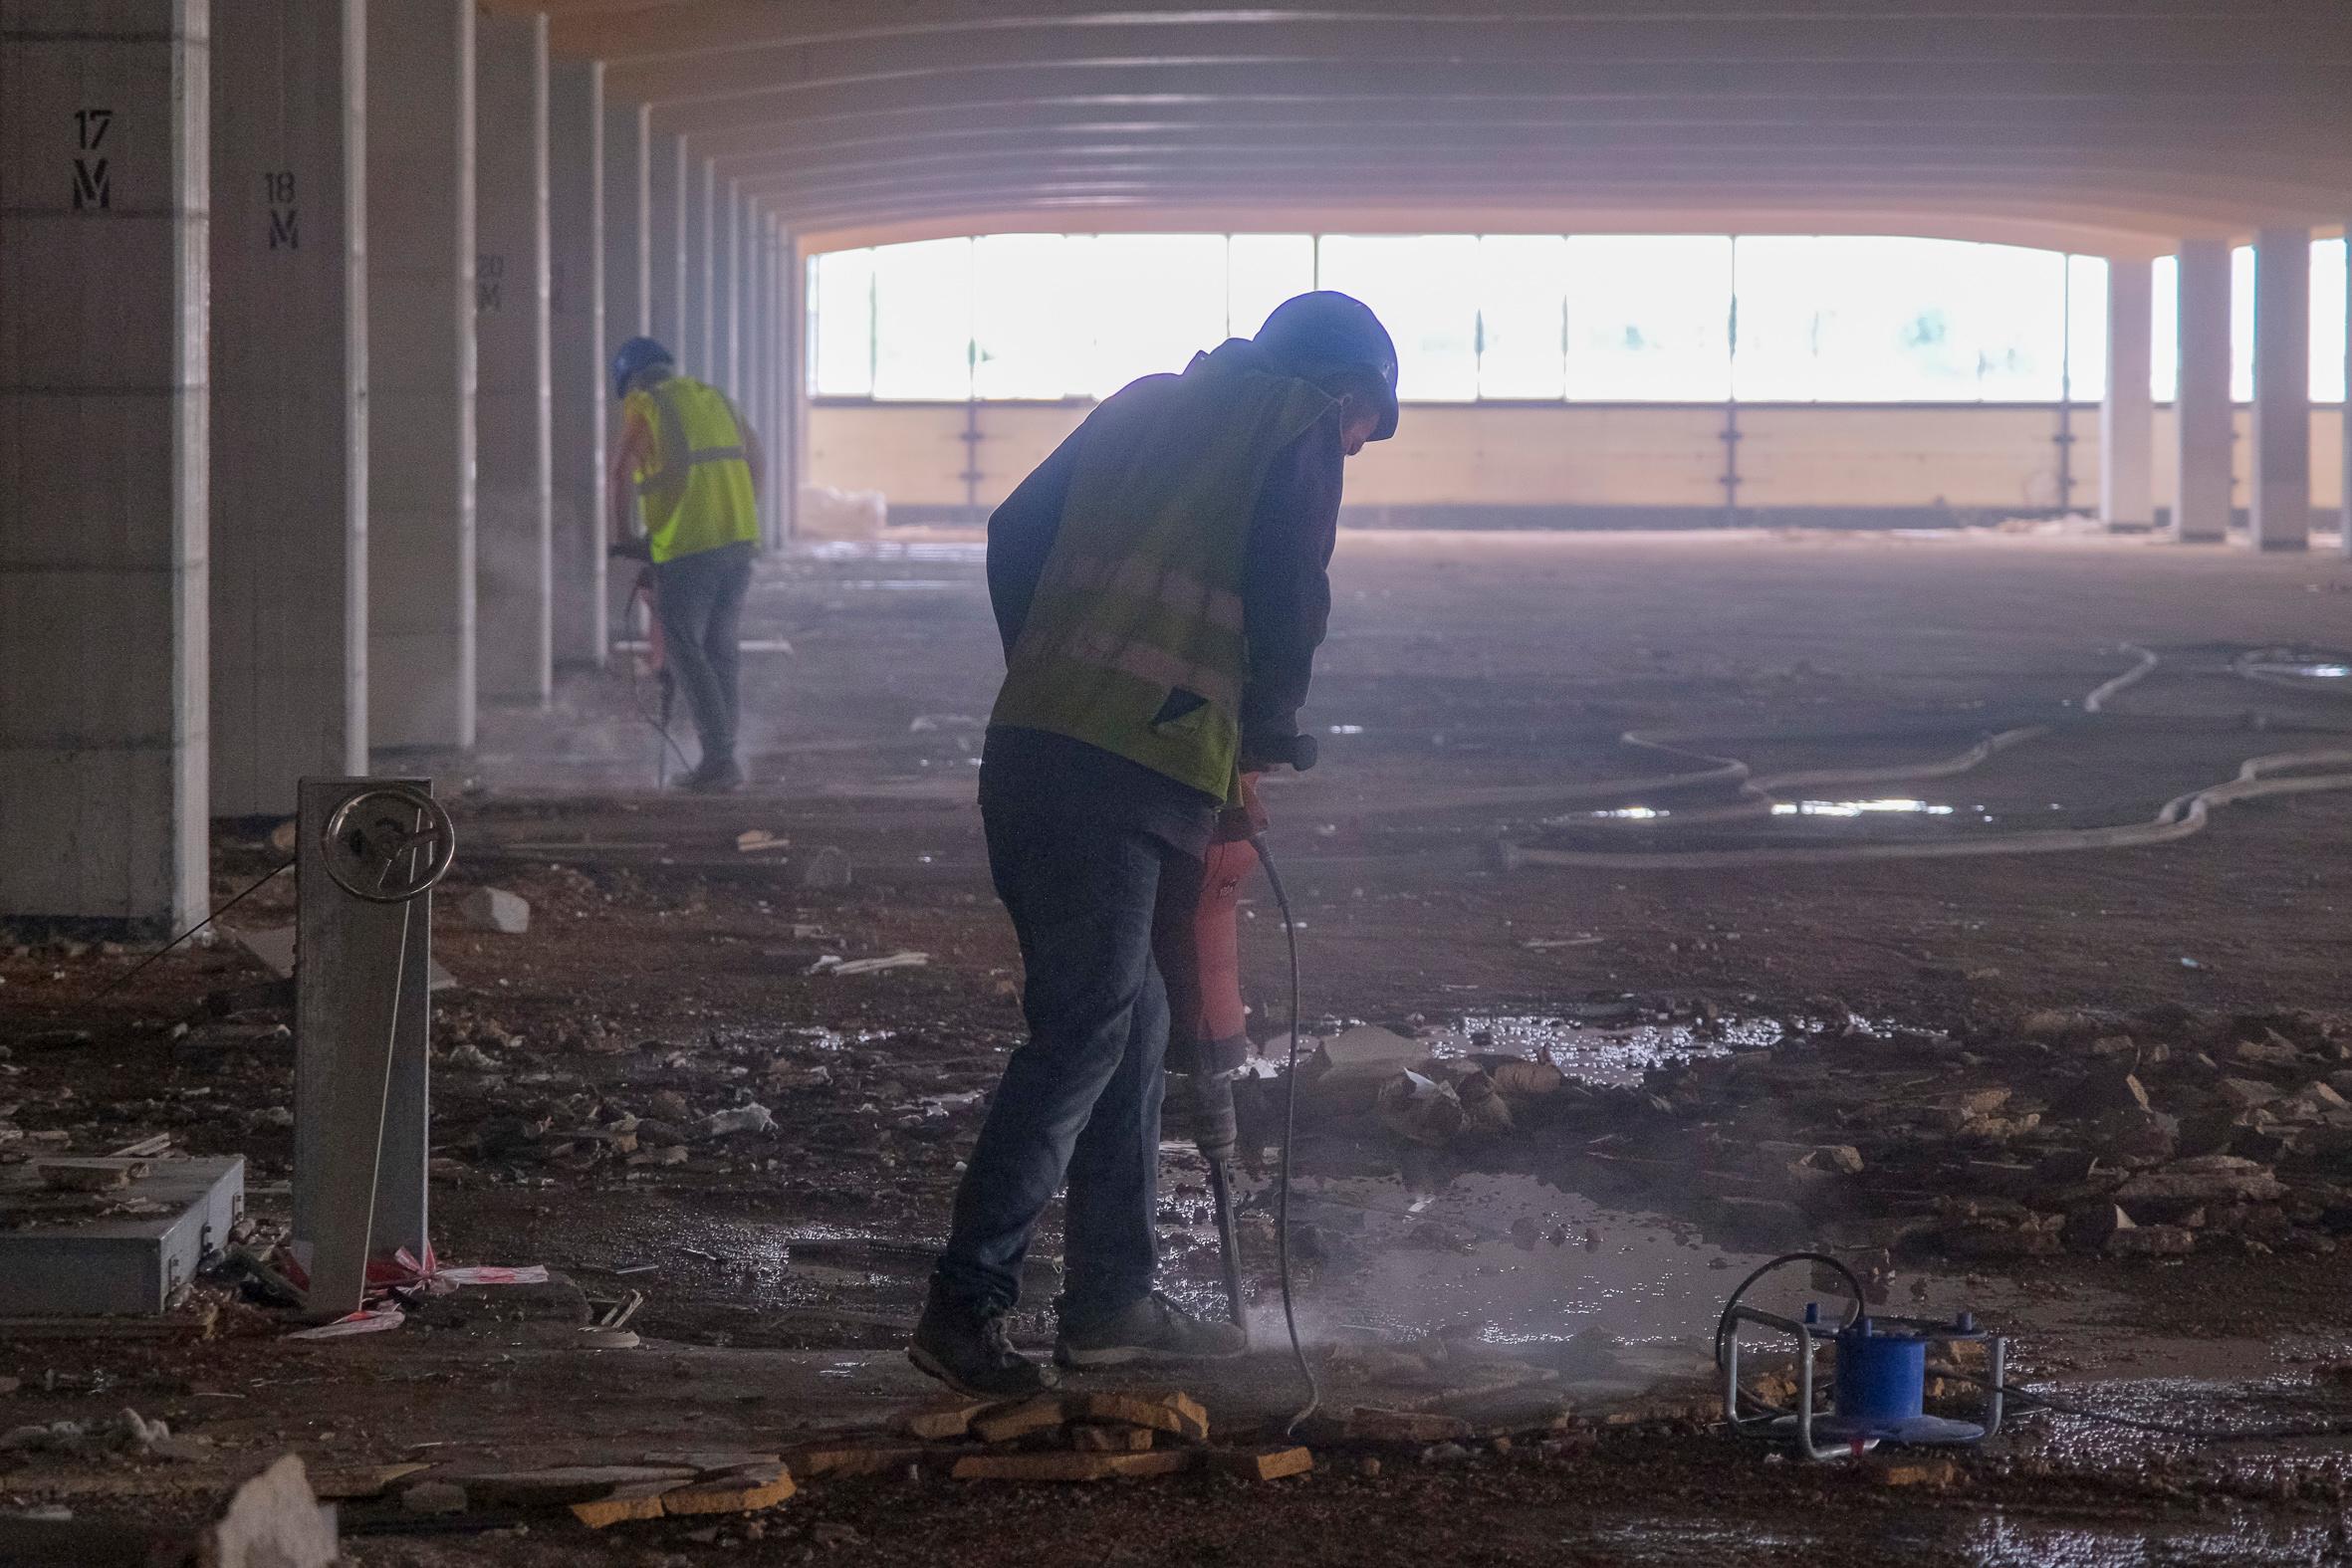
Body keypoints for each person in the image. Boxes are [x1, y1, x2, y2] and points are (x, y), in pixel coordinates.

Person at [910, 292, 1400, 1396]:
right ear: (1342, 390)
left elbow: (1012, 534)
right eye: (1365, 428)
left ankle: (1110, 1304)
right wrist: (1261, 742)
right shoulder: (1294, 424)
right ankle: (965, 1301)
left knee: (1132, 1019)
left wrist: (1049, 670)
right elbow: (1290, 594)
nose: (1356, 450)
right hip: (1128, 772)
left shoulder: (1139, 407)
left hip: (1033, 748)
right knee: (1087, 1028)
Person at [606, 336, 764, 793]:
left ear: (630, 381)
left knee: (683, 646)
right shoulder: (715, 399)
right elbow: (758, 462)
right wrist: (738, 514)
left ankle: (718, 758)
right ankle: (723, 754)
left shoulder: (646, 406)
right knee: (720, 649)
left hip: (689, 550)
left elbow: (620, 471)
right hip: (737, 542)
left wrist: (625, 537)